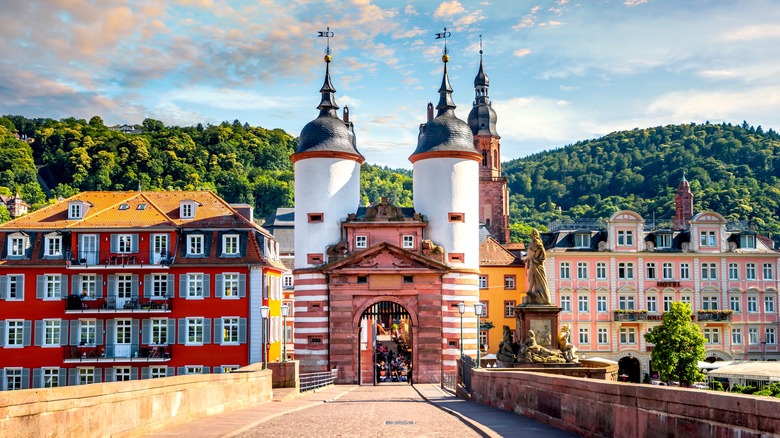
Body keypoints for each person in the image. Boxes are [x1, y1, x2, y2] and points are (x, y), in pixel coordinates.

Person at [526, 229, 551, 305]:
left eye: (533, 233)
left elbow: (541, 250)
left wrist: (536, 258)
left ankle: (534, 291)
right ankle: (531, 290)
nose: (532, 235)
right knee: (532, 276)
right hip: (532, 262)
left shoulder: (537, 241)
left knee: (535, 276)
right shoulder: (534, 241)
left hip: (536, 263)